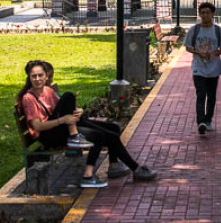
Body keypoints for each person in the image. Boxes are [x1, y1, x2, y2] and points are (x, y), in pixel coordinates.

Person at [16, 60, 157, 187]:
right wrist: (63, 120)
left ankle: (114, 165)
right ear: (29, 78)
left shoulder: (48, 91)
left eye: (40, 75)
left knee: (112, 128)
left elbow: (64, 108)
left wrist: (78, 111)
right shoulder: (29, 98)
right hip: (49, 135)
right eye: (34, 76)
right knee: (101, 135)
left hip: (62, 128)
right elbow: (37, 126)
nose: (37, 79)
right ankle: (92, 175)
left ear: (46, 76)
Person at [184, 1, 221, 135]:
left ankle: (208, 120)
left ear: (213, 14)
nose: (205, 15)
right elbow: (188, 47)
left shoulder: (218, 30)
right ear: (199, 14)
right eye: (202, 13)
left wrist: (215, 53)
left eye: (208, 12)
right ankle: (201, 122)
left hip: (214, 68)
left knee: (211, 95)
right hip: (199, 67)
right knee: (200, 94)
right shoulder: (194, 30)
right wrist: (198, 53)